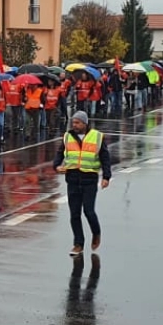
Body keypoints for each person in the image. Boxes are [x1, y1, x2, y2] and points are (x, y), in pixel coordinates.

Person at [53, 110, 112, 256]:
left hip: (89, 178)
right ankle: (78, 244)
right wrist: (56, 166)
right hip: (72, 178)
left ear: (85, 123)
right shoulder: (68, 136)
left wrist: (106, 177)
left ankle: (96, 232)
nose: (75, 125)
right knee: (74, 214)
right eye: (73, 122)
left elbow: (105, 157)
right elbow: (60, 153)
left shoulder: (97, 137)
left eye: (77, 122)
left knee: (89, 211)